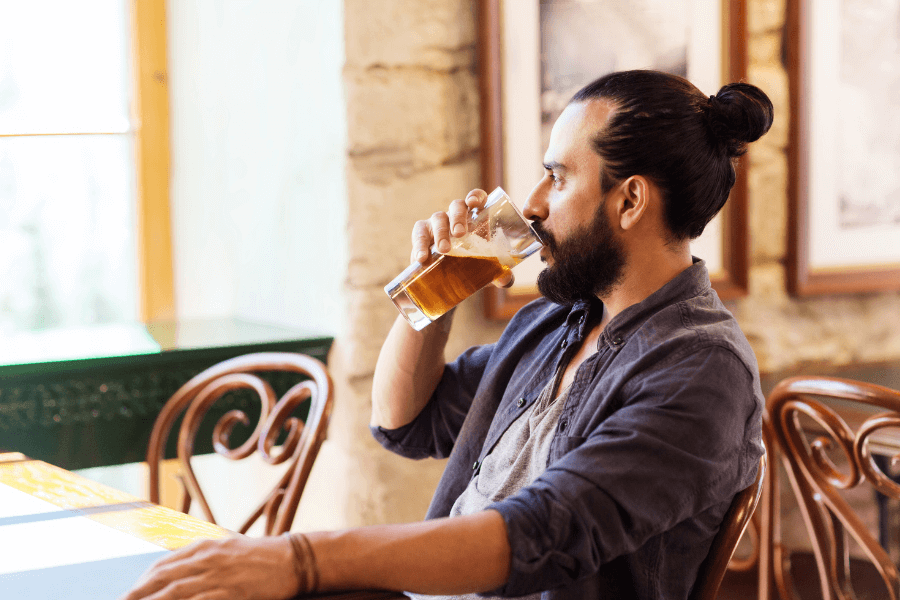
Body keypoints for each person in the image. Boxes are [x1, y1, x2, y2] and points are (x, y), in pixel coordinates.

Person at [122, 69, 773, 600]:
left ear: (630, 201)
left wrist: (301, 559)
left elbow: (539, 534)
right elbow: (404, 421)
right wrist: (430, 294)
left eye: (560, 175)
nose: (534, 201)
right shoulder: (556, 322)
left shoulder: (701, 372)